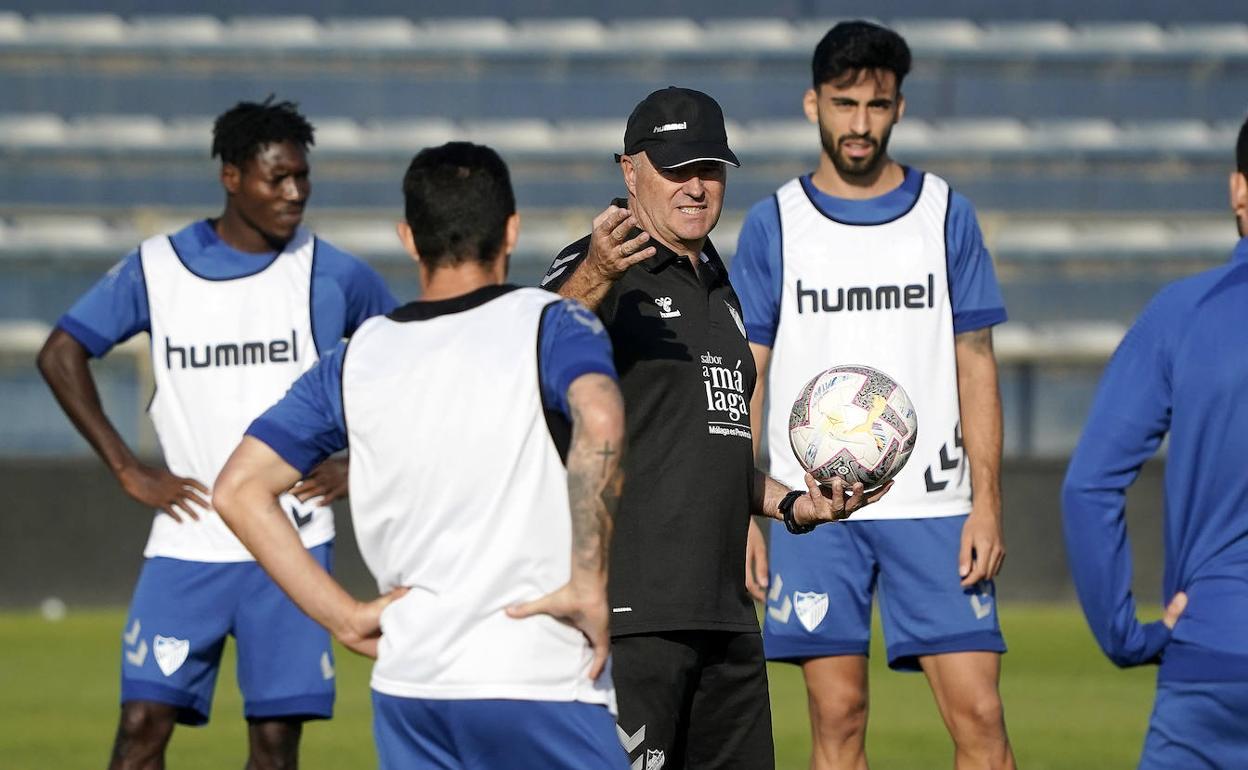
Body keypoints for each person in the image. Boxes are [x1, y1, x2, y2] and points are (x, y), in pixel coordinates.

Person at [213, 141, 630, 769]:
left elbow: (237, 490)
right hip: (538, 678)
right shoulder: (552, 323)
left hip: (413, 690)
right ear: (511, 230)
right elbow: (600, 415)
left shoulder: (358, 356)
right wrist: (590, 583)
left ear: (409, 238)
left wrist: (345, 616)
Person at [36, 98, 396, 770]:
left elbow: (412, 363)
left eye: (302, 177)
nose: (294, 192)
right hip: (189, 540)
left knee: (274, 743)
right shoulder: (157, 268)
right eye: (276, 178)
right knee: (141, 726)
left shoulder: (335, 273)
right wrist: (125, 467)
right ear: (232, 177)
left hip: (292, 543)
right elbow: (60, 353)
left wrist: (361, 462)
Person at [540, 86, 888, 770]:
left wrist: (793, 504)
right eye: (675, 169)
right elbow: (529, 345)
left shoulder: (721, 289)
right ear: (629, 170)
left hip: (726, 616)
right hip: (632, 617)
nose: (696, 187)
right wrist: (596, 274)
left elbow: (707, 446)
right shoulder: (600, 268)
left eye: (709, 168)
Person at [729, 22, 1016, 769]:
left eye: (876, 105)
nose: (859, 122)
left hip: (937, 507)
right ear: (812, 103)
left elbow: (976, 364)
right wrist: (748, 509)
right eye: (844, 102)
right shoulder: (775, 223)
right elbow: (746, 378)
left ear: (899, 108)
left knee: (982, 719)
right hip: (815, 512)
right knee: (839, 719)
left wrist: (987, 501)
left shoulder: (944, 213)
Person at [1061, 118, 1248, 769]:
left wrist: (1126, 635)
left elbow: (1088, 486)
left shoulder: (1183, 312)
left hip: (1211, 652)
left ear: (1238, 191)